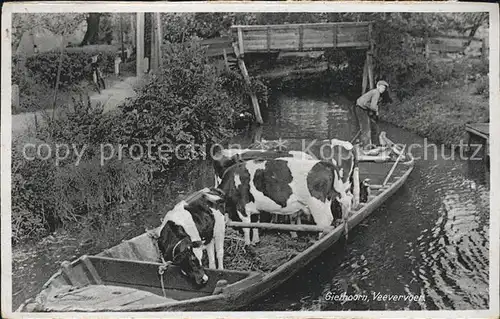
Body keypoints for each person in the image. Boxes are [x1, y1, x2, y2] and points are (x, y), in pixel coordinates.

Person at [354, 80, 389, 148]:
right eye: (382, 87)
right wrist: (376, 109)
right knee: (366, 129)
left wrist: (374, 110)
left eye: (384, 88)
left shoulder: (375, 92)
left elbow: (367, 104)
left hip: (363, 109)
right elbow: (371, 106)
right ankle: (366, 147)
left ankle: (374, 145)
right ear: (377, 86)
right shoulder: (376, 92)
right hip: (360, 109)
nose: (383, 90)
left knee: (374, 127)